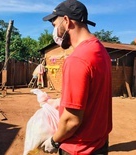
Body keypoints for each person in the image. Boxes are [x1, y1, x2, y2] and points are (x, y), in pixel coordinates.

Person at [41, 0, 112, 155]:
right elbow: (92, 96)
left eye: (54, 25)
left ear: (66, 21)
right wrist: (58, 102)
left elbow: (71, 120)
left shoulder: (77, 59)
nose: (55, 32)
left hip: (78, 148)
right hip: (99, 144)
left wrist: (54, 141)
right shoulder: (100, 51)